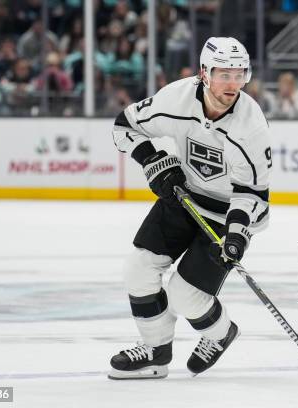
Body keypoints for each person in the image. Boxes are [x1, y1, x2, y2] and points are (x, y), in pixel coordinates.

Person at [108, 37, 271, 379]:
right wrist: (153, 160)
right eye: (223, 74)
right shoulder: (176, 99)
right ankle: (155, 352)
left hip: (228, 214)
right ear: (204, 74)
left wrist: (237, 236)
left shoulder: (251, 127)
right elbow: (124, 126)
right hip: (184, 196)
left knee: (185, 297)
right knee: (139, 268)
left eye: (239, 74)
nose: (232, 84)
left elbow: (252, 194)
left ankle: (220, 333)